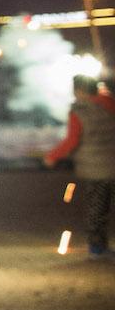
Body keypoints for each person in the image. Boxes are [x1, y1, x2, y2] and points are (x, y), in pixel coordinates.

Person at [44, 76, 115, 257]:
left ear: (80, 91)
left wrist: (52, 156)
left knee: (97, 208)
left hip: (96, 169)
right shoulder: (110, 105)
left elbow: (72, 140)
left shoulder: (80, 111)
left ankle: (97, 248)